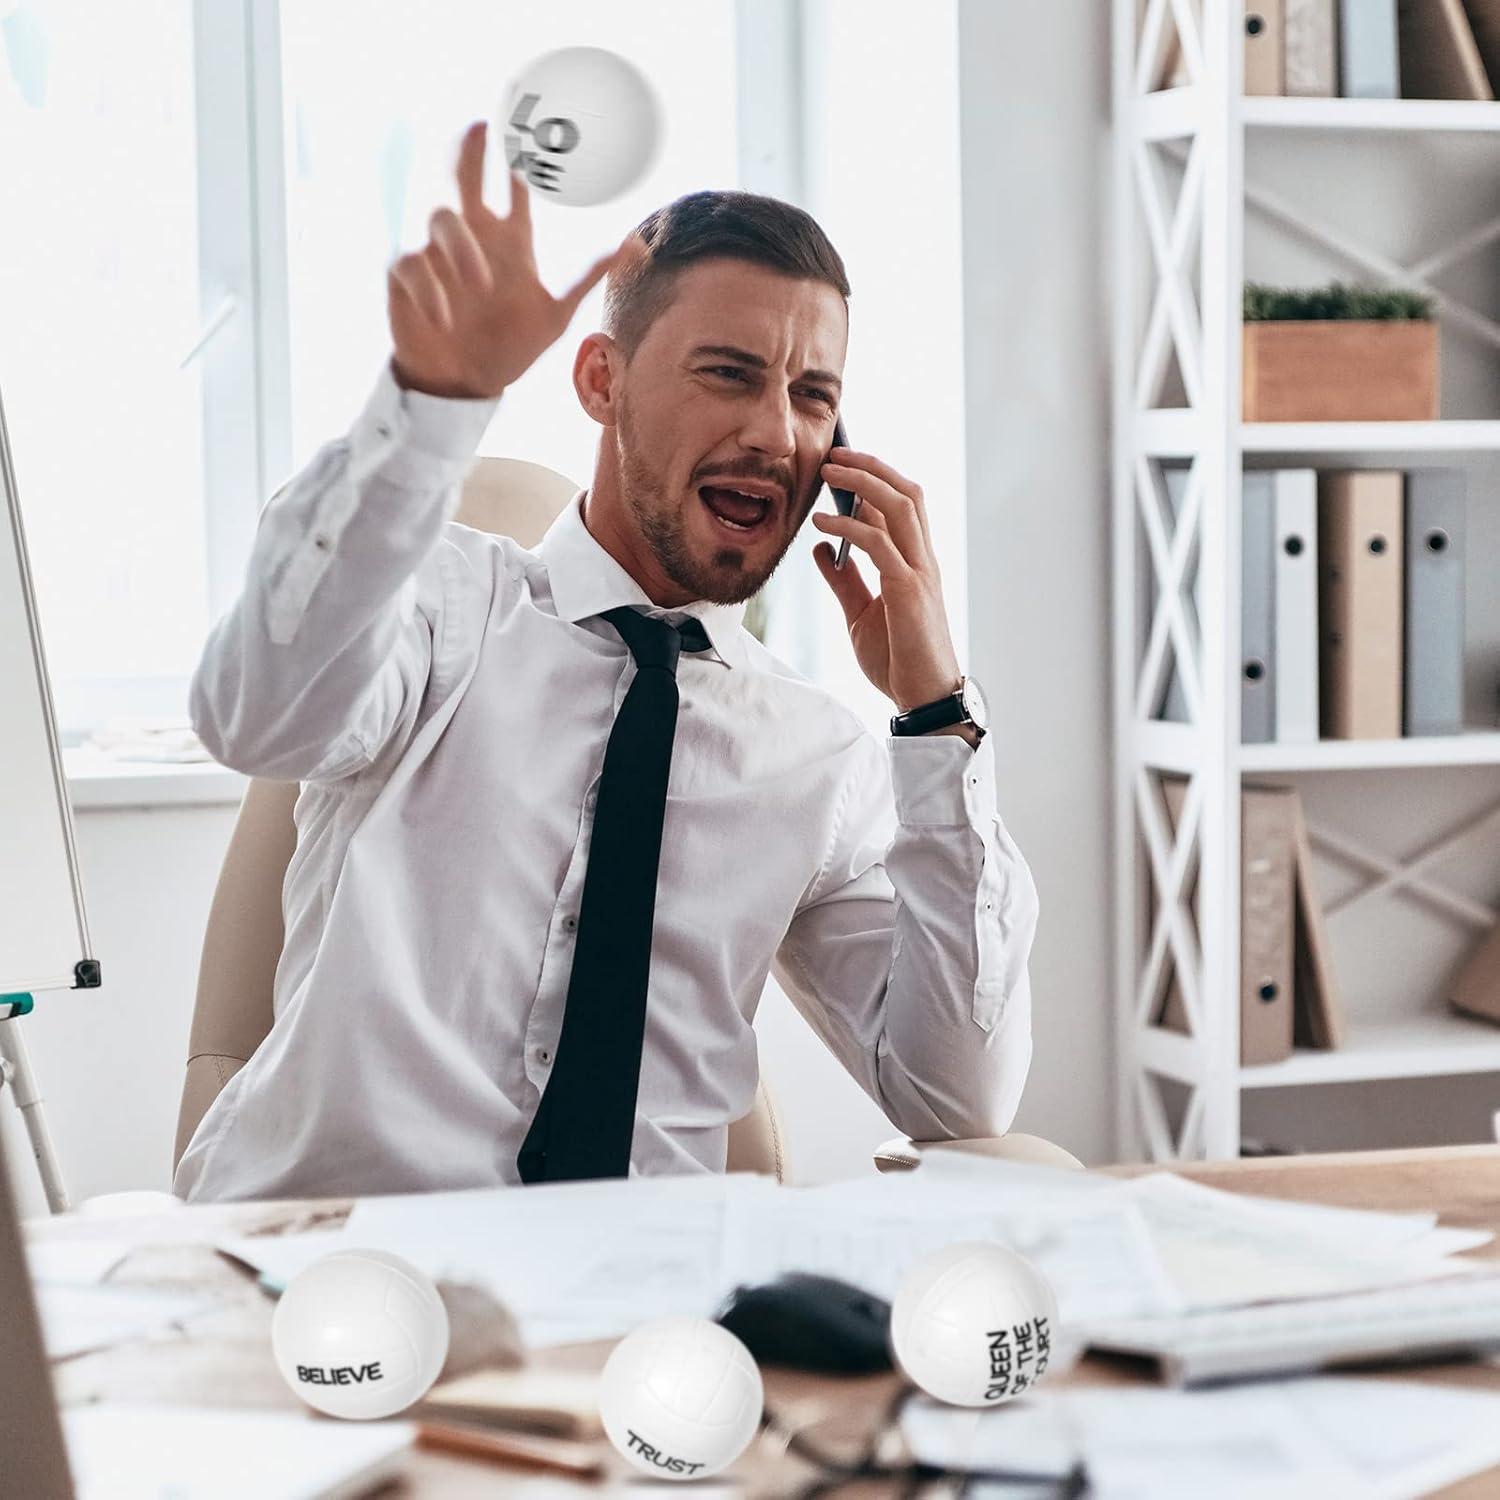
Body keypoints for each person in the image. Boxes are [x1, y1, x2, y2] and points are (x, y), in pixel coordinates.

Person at [173, 120, 1038, 1202]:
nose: (777, 434)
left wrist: (938, 714)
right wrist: (429, 405)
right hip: (345, 1253)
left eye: (813, 394)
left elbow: (957, 1100)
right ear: (601, 381)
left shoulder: (819, 757)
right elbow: (252, 718)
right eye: (729, 374)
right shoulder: (434, 611)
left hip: (649, 1281)